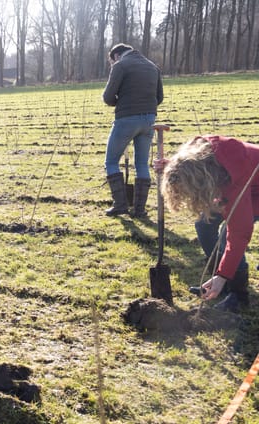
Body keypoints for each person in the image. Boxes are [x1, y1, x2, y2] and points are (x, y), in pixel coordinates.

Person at [157, 135, 259, 312]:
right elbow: (189, 164)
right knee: (204, 224)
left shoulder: (235, 171)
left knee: (227, 234)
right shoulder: (202, 149)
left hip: (250, 188)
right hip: (239, 183)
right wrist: (170, 166)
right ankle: (219, 280)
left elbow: (239, 233)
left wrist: (223, 275)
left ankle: (238, 293)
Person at [102, 43, 163, 217]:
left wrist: (121, 103)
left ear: (116, 56)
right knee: (142, 164)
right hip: (149, 120)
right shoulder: (153, 67)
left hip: (126, 119)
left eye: (112, 61)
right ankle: (139, 210)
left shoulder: (120, 65)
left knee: (111, 162)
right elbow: (159, 97)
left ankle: (120, 205)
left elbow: (107, 97)